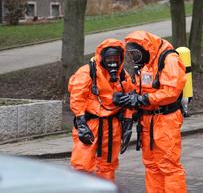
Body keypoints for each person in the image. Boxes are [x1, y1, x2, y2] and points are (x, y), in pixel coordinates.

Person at [114, 31, 188, 193]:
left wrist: (143, 100)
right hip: (147, 120)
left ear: (146, 49)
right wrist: (130, 97)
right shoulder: (146, 62)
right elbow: (141, 88)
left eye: (136, 54)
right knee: (151, 165)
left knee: (168, 166)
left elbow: (171, 92)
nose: (134, 58)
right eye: (131, 55)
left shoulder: (169, 60)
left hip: (165, 119)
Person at [68, 38, 134, 181]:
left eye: (116, 58)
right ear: (102, 57)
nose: (113, 62)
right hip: (91, 124)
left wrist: (128, 124)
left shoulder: (123, 76)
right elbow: (77, 97)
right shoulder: (87, 73)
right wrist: (81, 123)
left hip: (112, 127)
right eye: (109, 58)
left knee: (108, 165)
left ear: (121, 58)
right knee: (82, 166)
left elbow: (129, 99)